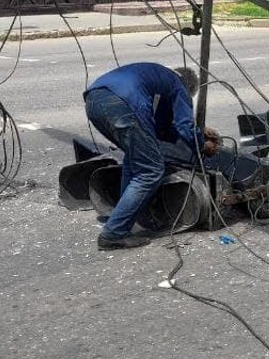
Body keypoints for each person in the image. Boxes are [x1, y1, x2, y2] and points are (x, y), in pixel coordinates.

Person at [83, 63, 220, 250]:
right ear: (190, 89)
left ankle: (124, 216)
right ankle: (114, 232)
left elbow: (160, 130)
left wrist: (198, 131)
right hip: (123, 103)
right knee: (151, 170)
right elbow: (184, 126)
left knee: (134, 159)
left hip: (94, 100)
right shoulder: (179, 86)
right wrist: (203, 145)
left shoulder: (162, 78)